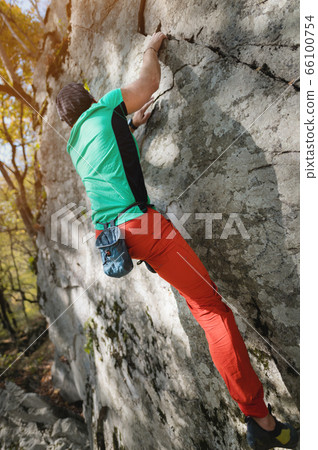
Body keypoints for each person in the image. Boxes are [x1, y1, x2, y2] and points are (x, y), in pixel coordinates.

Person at [56, 32, 299, 450]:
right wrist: (151, 48)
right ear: (90, 97)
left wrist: (131, 125)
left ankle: (258, 417)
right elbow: (148, 84)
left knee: (198, 303)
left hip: (116, 238)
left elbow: (106, 158)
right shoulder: (104, 108)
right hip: (143, 229)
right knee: (212, 311)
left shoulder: (76, 145)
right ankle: (260, 418)